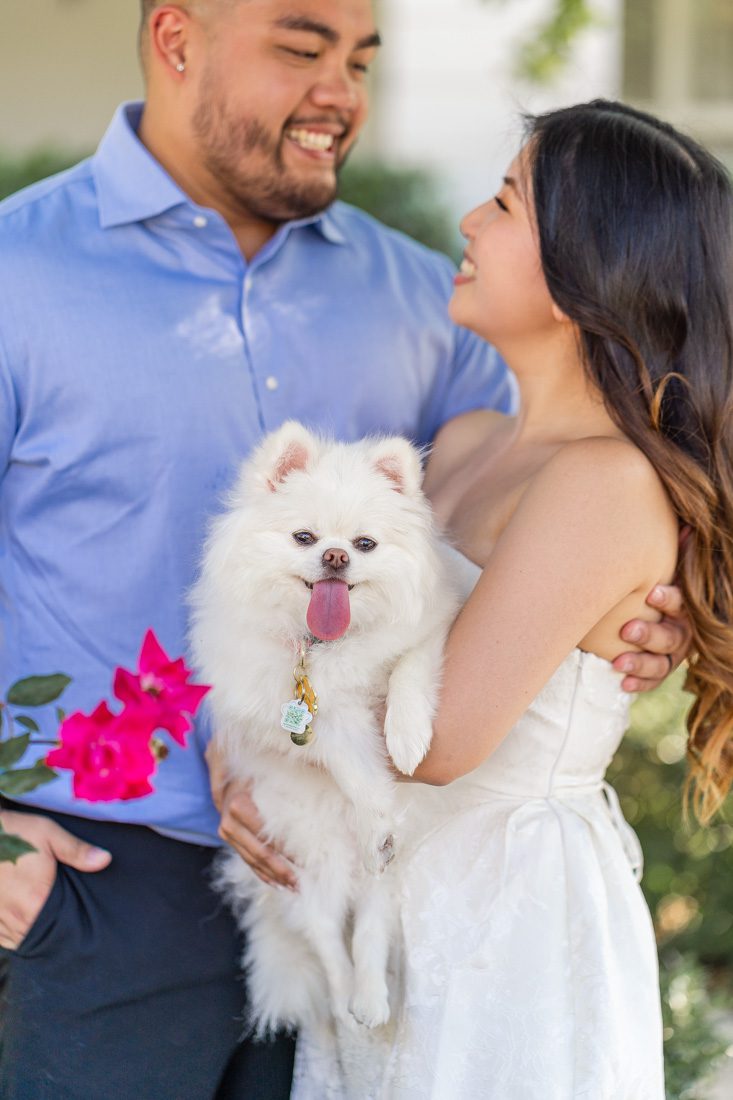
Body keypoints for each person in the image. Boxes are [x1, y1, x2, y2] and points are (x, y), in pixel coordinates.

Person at [0, 0, 686, 1095]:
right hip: (93, 891)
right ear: (178, 41)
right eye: (301, 47)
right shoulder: (14, 271)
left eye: (361, 58)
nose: (343, 93)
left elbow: (568, 524)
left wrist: (657, 610)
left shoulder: (428, 303)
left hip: (380, 921)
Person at [289, 100, 733, 1099]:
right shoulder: (461, 444)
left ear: (586, 273)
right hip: (385, 905)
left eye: (503, 203)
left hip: (499, 933)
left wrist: (282, 686)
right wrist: (291, 706)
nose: (467, 224)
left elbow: (429, 738)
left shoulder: (604, 483)